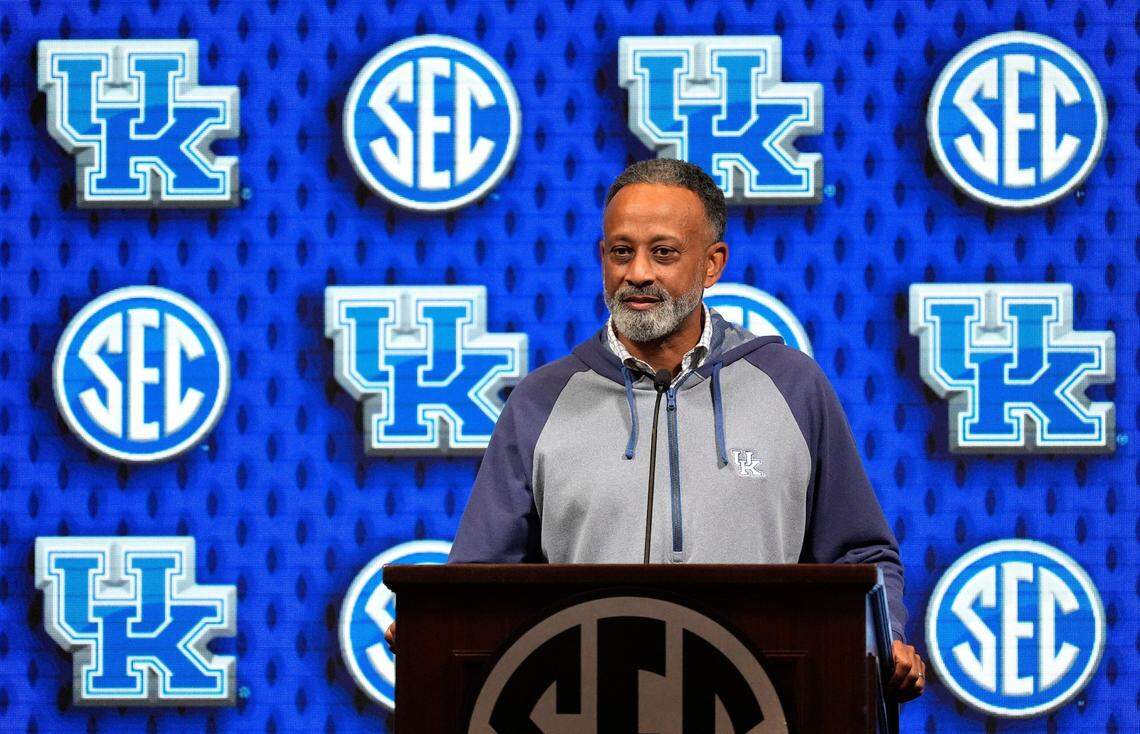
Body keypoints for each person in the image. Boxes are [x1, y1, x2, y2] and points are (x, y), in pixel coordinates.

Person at [387, 158, 925, 701]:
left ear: (712, 264)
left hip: (757, 707)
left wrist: (887, 640)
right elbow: (479, 581)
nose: (637, 273)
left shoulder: (792, 386)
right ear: (603, 259)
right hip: (583, 707)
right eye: (622, 251)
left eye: (663, 252)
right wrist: (434, 628)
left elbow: (862, 556)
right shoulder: (539, 402)